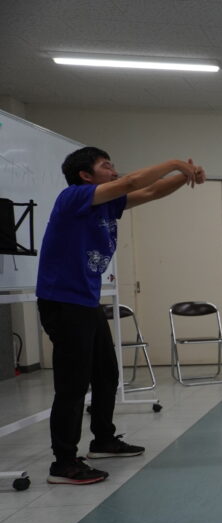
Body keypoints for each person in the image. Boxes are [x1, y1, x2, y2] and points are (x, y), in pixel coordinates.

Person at [37, 147, 206, 485]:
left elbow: (152, 190)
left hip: (86, 302)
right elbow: (132, 181)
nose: (114, 172)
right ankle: (64, 462)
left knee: (106, 373)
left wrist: (182, 177)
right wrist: (174, 162)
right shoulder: (72, 197)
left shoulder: (107, 204)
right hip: (63, 301)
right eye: (106, 166)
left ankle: (103, 440)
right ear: (86, 176)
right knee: (72, 385)